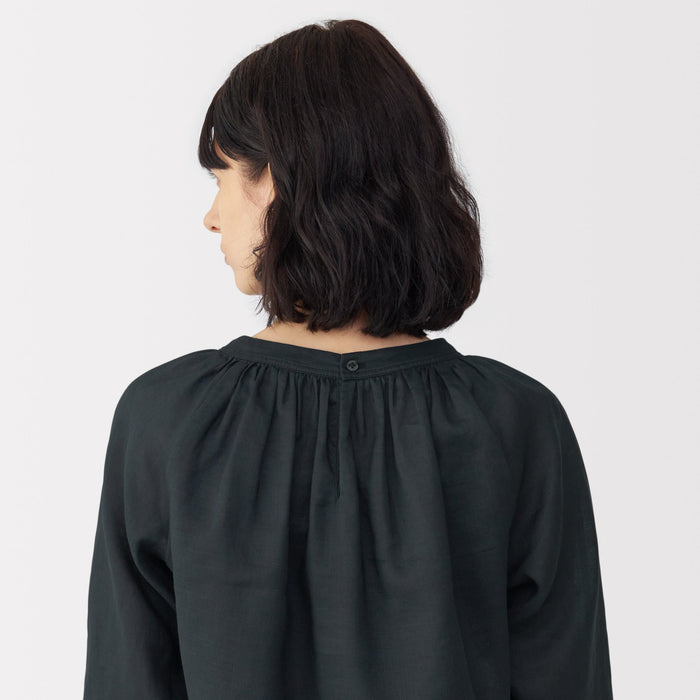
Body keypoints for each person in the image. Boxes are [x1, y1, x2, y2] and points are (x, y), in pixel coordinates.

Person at [82, 18, 614, 700]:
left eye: (222, 178)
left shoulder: (168, 420)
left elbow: (127, 682)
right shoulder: (515, 423)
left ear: (277, 181)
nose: (211, 216)